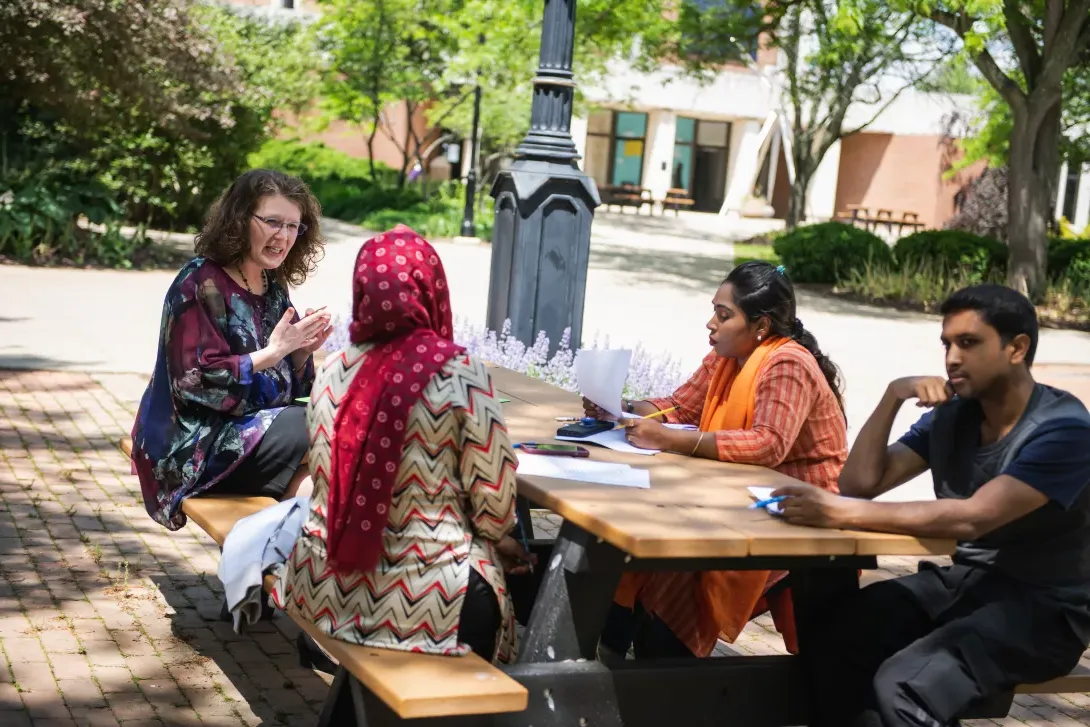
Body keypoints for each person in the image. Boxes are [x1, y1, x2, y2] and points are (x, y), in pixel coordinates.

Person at [774, 284, 1090, 727]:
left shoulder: (1064, 429)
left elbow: (975, 516)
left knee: (904, 686)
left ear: (1017, 348)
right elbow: (861, 482)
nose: (952, 358)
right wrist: (892, 396)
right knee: (836, 636)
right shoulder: (956, 414)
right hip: (967, 585)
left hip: (1042, 612)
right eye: (947, 344)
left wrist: (833, 511)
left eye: (969, 342)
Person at [272, 226, 534, 665]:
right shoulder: (459, 373)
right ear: (433, 290)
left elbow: (324, 477)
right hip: (429, 598)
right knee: (507, 580)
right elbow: (495, 507)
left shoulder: (334, 371)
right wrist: (503, 544)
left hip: (323, 586)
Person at [589, 261, 848, 659]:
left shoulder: (787, 363)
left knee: (670, 574)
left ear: (760, 326)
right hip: (733, 497)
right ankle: (607, 670)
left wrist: (674, 442)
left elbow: (768, 445)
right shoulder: (727, 354)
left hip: (791, 512)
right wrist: (620, 407)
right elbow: (679, 407)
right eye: (714, 311)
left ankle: (650, 685)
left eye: (724, 315)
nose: (711, 323)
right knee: (634, 553)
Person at [131, 169, 332, 530]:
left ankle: (280, 571)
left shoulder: (271, 286)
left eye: (293, 227)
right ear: (239, 220)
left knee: (321, 472)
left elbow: (285, 387)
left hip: (252, 434)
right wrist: (273, 354)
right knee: (322, 426)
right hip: (193, 444)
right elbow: (192, 383)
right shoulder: (199, 282)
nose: (283, 236)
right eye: (272, 222)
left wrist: (300, 353)